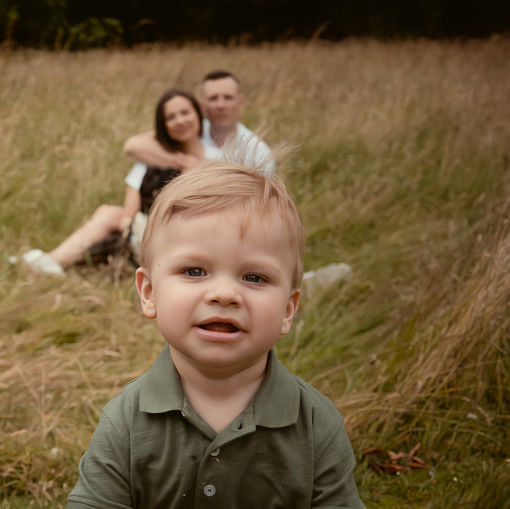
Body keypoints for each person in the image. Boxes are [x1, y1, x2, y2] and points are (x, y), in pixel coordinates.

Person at [67, 161, 365, 508]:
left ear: (287, 309)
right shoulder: (126, 422)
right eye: (195, 271)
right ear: (149, 293)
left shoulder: (315, 424)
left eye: (254, 277)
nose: (224, 294)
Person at [20, 88, 222, 275]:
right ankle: (50, 263)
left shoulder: (218, 158)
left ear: (198, 114)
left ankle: (48, 262)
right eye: (171, 117)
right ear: (163, 125)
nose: (179, 121)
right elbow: (128, 213)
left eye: (185, 113)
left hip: (192, 231)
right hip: (148, 230)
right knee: (109, 213)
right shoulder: (155, 157)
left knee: (108, 214)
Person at [124, 69, 274, 176]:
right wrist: (181, 161)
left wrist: (200, 169)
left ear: (240, 102)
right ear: (202, 104)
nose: (220, 105)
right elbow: (133, 145)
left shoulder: (258, 152)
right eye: (213, 98)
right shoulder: (190, 128)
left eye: (228, 97)